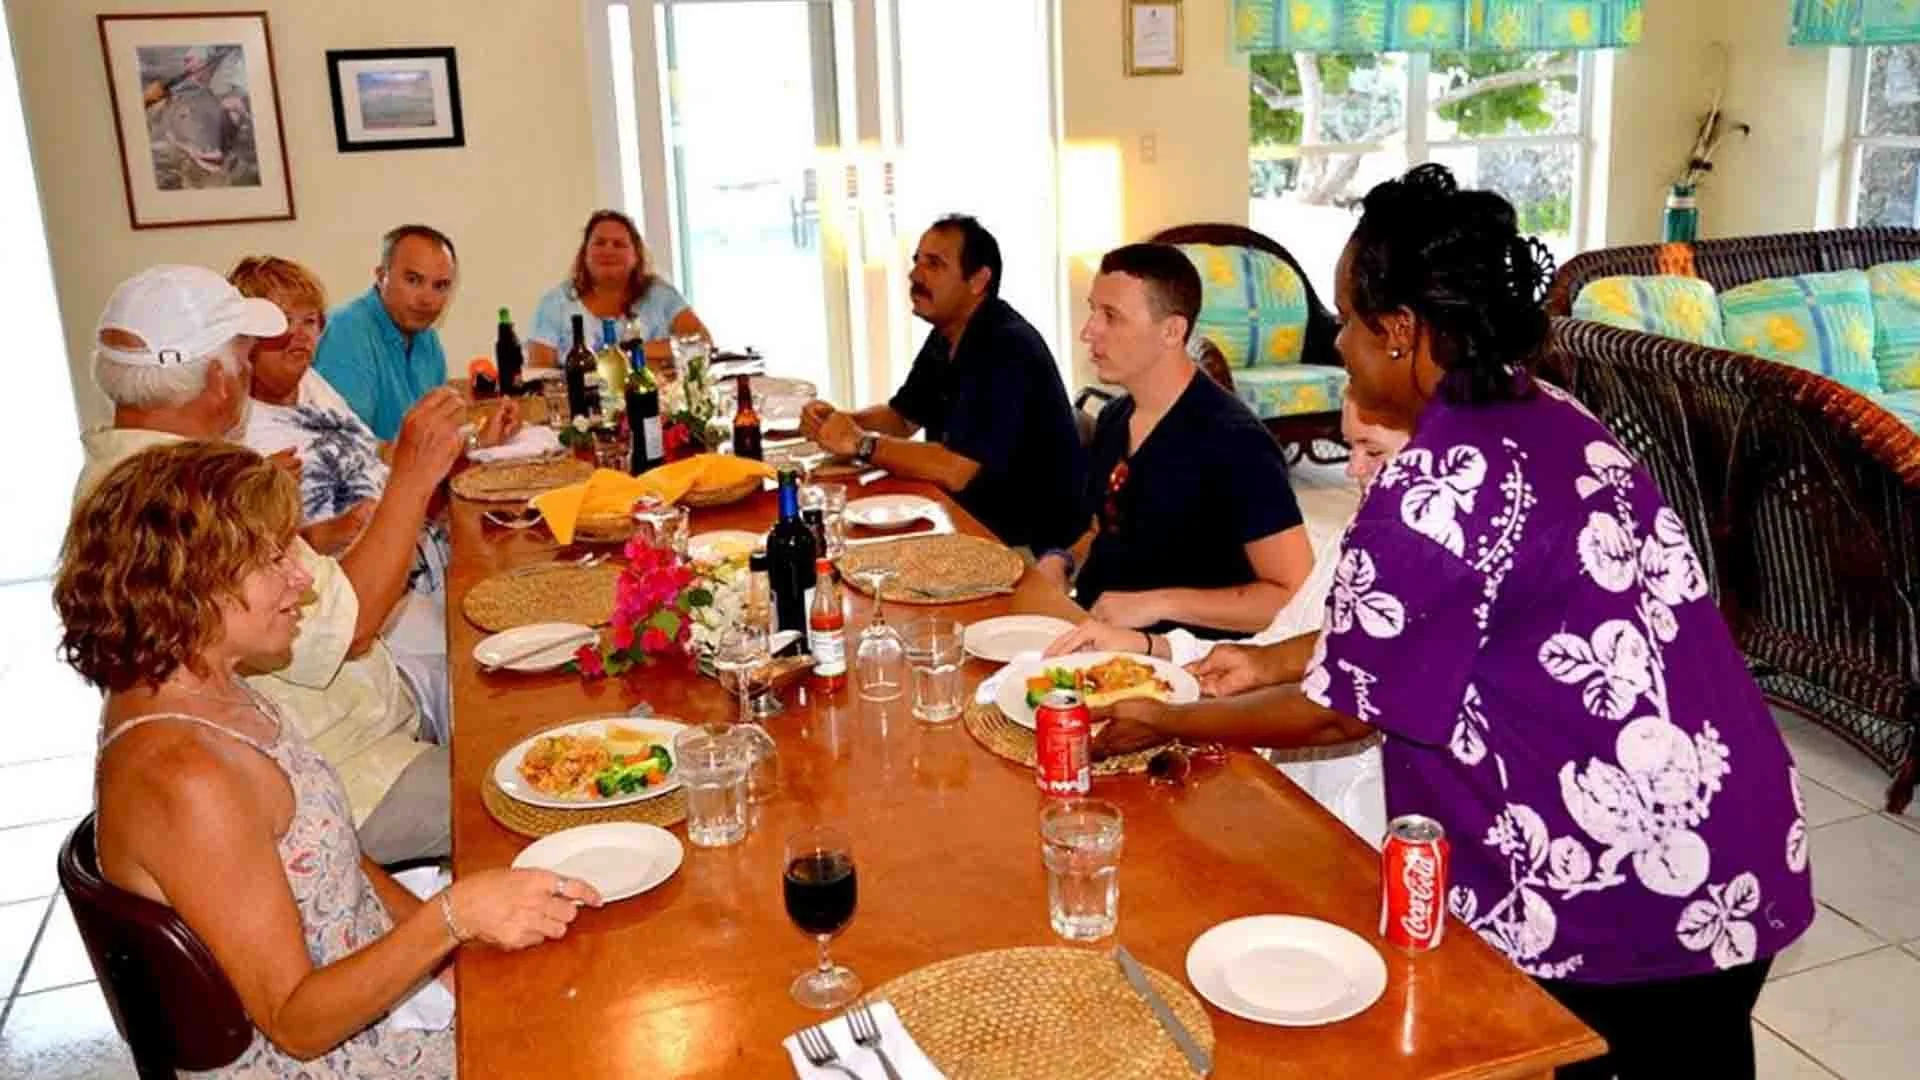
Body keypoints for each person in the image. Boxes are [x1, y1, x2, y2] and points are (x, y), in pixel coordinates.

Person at [1091, 166, 1813, 1079]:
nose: (1340, 342)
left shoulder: (1435, 485)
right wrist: (1272, 660)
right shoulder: (1553, 412)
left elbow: (1341, 715)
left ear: (1401, 332)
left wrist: (1168, 718)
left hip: (1624, 886)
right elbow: (1466, 619)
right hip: (1734, 829)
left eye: (1350, 320)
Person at [56, 440, 601, 1077]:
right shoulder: (183, 776)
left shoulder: (216, 687)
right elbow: (297, 1022)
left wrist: (450, 949)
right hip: (335, 1056)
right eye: (271, 558)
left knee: (579, 958)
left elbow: (337, 852)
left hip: (372, 990)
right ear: (188, 583)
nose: (304, 577)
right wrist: (453, 920)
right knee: (587, 1031)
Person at [77, 263, 468, 864]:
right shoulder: (193, 496)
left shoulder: (118, 477)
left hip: (338, 744)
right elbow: (352, 625)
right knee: (509, 794)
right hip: (340, 778)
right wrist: (412, 480)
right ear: (217, 379)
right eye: (242, 355)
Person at [1050, 394, 1406, 845]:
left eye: (1373, 451)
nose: (1353, 469)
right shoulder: (1350, 539)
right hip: (1297, 809)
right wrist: (1145, 647)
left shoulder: (1234, 441)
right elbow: (1267, 652)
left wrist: (1170, 720)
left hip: (1368, 835)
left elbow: (1334, 714)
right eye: (1349, 448)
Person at [231, 255, 517, 743]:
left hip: (417, 557)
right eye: (282, 323)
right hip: (362, 599)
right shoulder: (239, 432)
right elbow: (265, 558)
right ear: (244, 336)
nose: (301, 337)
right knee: (489, 665)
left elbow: (374, 451)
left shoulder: (309, 385)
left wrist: (468, 442)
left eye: (310, 322)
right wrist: (335, 529)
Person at [1035, 243, 1313, 640]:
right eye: (1093, 310)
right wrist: (1062, 560)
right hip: (1095, 636)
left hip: (1184, 669)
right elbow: (1104, 529)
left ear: (1172, 330)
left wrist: (1159, 602)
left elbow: (1294, 594)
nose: (1088, 330)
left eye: (1110, 316)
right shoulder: (1115, 418)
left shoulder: (1236, 444)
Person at [799, 215, 1085, 551]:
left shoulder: (1005, 346)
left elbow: (955, 469)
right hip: (964, 520)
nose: (915, 275)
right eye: (916, 261)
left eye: (934, 264)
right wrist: (837, 422)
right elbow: (901, 418)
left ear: (978, 280)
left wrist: (860, 443)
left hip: (1025, 547)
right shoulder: (948, 333)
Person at [314, 225, 459, 440]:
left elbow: (434, 436)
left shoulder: (426, 336)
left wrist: (478, 440)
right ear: (382, 276)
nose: (427, 300)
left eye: (440, 286)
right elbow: (347, 449)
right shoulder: (346, 333)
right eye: (413, 280)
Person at [526, 209, 710, 370]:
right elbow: (540, 373)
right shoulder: (555, 304)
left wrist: (629, 351)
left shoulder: (661, 295)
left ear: (636, 255)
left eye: (619, 244)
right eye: (599, 243)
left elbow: (702, 342)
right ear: (585, 253)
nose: (608, 251)